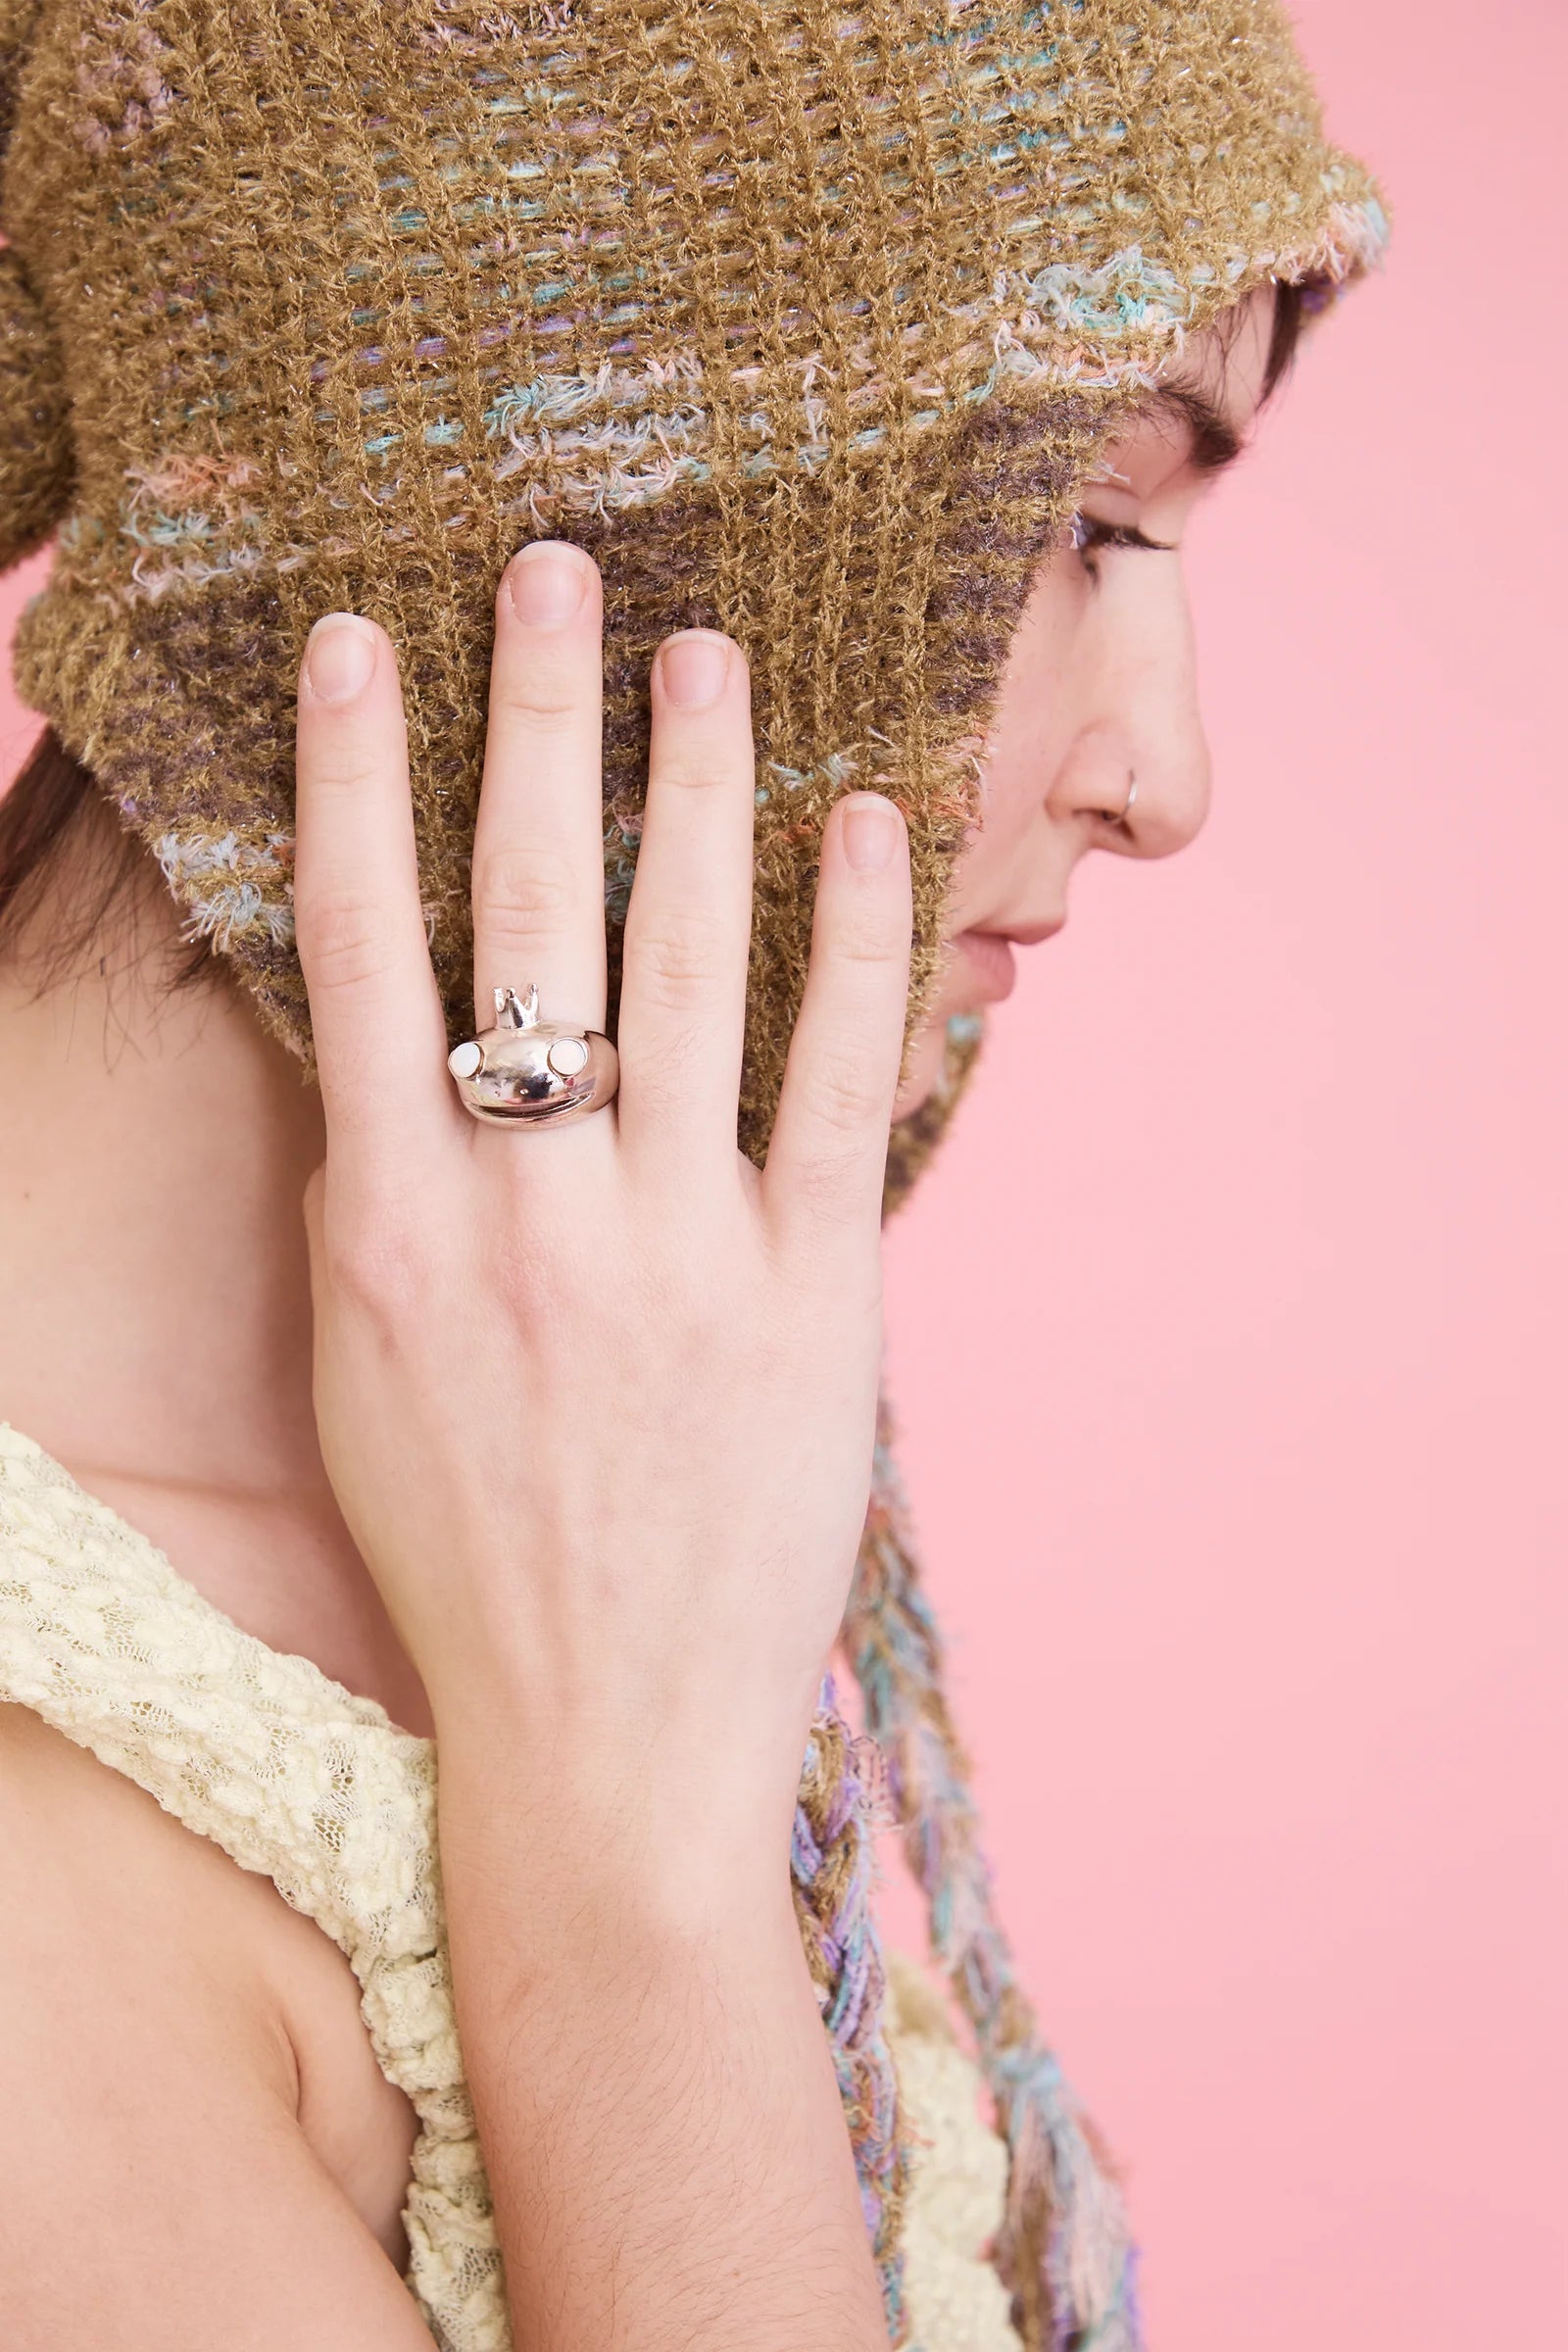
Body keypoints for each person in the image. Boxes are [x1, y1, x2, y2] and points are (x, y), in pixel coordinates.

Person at [0, 6, 1384, 2347]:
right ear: (576, 504)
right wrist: (626, 1881)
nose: (1166, 777)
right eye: (1083, 519)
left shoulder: (601, 1468)